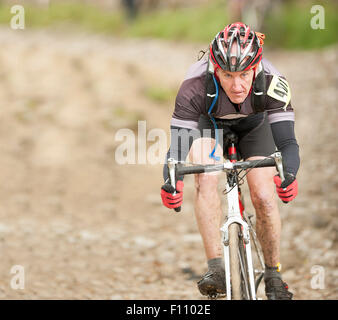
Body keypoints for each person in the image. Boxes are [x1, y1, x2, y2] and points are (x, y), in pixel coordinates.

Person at [160, 22, 299, 300]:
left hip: (255, 128)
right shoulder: (195, 84)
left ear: (256, 68)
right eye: (227, 75)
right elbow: (177, 147)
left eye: (244, 74)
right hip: (209, 126)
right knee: (206, 177)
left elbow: (287, 143)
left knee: (263, 195)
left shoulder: (272, 80)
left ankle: (273, 274)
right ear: (214, 68)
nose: (237, 85)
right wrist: (171, 180)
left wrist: (289, 175)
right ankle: (217, 269)